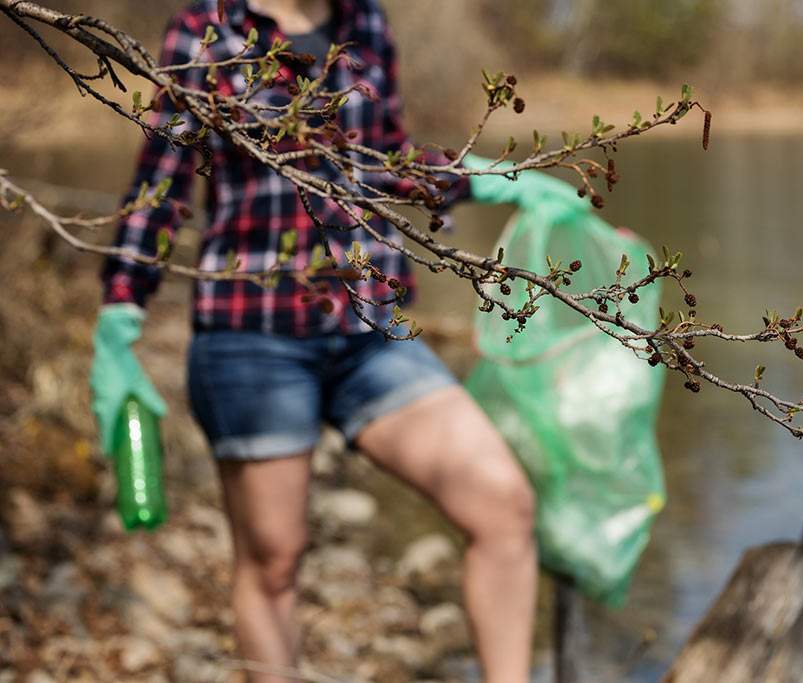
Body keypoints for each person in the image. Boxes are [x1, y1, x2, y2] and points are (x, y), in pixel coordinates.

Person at [88, 1, 575, 681]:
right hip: (251, 330)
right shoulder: (208, 26)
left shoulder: (366, 21)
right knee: (273, 560)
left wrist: (490, 180)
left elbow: (382, 161)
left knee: (502, 504)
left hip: (370, 327)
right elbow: (161, 178)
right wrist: (122, 309)